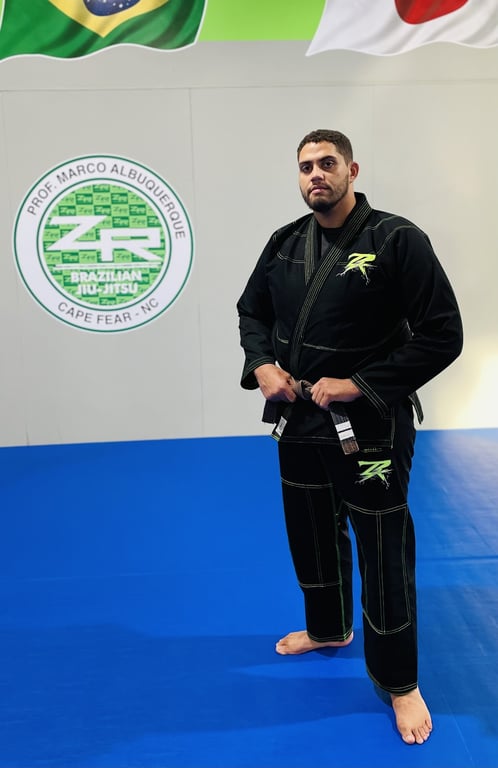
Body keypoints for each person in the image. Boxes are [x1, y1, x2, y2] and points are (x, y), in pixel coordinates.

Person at [237, 129, 463, 745]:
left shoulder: (396, 239)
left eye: (327, 163)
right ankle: (329, 627)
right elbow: (252, 311)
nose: (316, 174)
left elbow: (443, 334)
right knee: (310, 532)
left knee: (383, 548)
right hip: (299, 418)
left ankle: (399, 681)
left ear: (352, 170)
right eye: (305, 166)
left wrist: (359, 384)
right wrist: (261, 364)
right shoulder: (285, 243)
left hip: (372, 426)